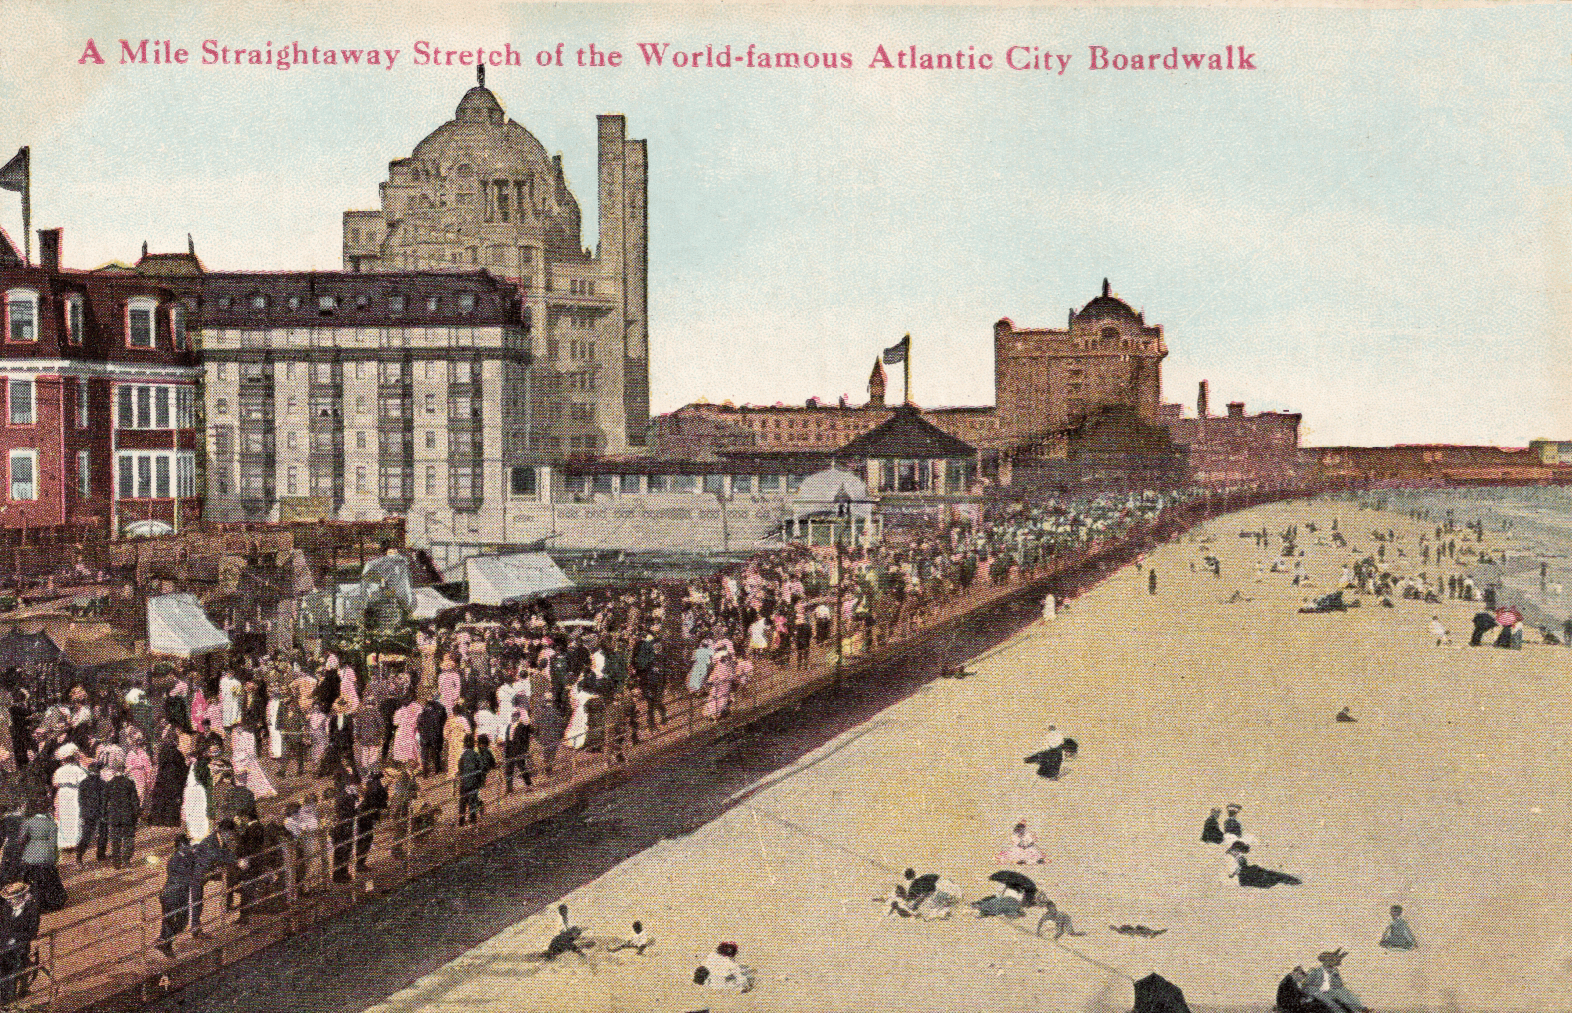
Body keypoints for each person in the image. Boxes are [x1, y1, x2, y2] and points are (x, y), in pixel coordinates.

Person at [16, 803, 65, 913]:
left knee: (32, 880)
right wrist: (53, 858)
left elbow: (21, 840)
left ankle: (34, 904)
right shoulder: (51, 824)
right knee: (48, 879)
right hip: (46, 854)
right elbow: (53, 844)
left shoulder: (28, 822)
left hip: (30, 854)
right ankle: (51, 904)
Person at [154, 834, 197, 957]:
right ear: (181, 846)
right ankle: (166, 945)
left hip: (180, 894)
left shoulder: (187, 856)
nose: (189, 846)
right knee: (171, 921)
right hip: (172, 894)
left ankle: (163, 941)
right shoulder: (175, 860)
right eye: (187, 844)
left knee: (181, 921)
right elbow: (185, 876)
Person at [1296, 949, 1369, 1013]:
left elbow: (1339, 985)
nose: (1331, 962)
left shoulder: (1334, 971)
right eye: (1329, 960)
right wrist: (1307, 996)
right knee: (1332, 1004)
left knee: (1345, 992)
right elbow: (1305, 984)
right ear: (1324, 961)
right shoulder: (1316, 971)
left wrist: (1334, 975)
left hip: (1330, 991)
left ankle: (1360, 1009)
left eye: (1331, 960)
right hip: (1318, 991)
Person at [0, 881, 38, 1002]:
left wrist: (13, 939)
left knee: (9, 968)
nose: (9, 901)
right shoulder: (6, 907)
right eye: (8, 899)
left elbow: (32, 932)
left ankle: (7, 999)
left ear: (20, 897)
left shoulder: (31, 909)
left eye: (12, 898)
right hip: (4, 944)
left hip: (20, 946)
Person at [103, 760, 140, 867]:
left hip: (114, 815)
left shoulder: (109, 784)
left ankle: (116, 861)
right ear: (124, 769)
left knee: (115, 839)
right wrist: (136, 813)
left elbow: (104, 802)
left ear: (114, 771)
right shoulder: (129, 782)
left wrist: (105, 815)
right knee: (128, 838)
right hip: (128, 814)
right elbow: (134, 800)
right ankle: (126, 859)